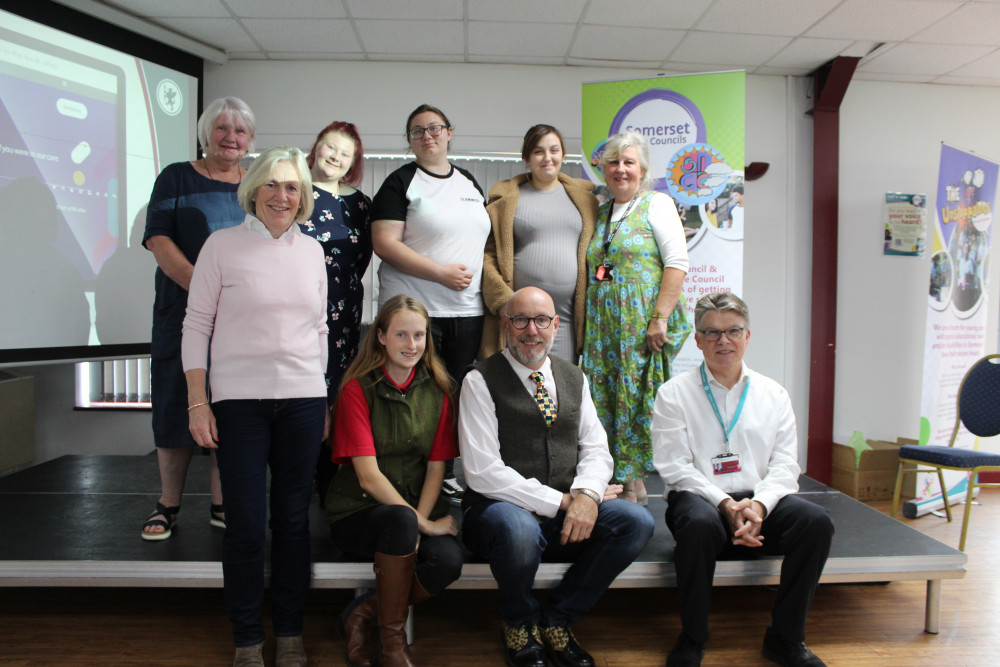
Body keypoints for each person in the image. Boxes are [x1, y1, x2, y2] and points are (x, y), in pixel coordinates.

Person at [183, 146, 328, 667]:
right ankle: (247, 637)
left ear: (304, 197)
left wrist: (322, 395)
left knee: (292, 523)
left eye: (292, 188)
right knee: (245, 525)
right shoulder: (220, 246)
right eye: (271, 185)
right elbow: (196, 325)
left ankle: (289, 633)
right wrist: (199, 403)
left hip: (303, 402)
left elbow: (320, 330)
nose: (281, 196)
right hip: (238, 403)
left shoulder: (312, 252)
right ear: (253, 190)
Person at [460, 287, 655, 667]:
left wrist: (586, 495)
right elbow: (482, 471)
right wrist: (563, 502)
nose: (531, 330)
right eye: (520, 320)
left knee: (636, 522)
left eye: (541, 320)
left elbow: (597, 450)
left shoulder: (574, 377)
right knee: (518, 529)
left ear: (556, 326)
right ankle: (519, 622)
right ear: (505, 325)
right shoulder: (479, 380)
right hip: (497, 517)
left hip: (564, 517)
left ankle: (558, 619)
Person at [651, 292, 834, 667]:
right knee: (699, 524)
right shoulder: (673, 394)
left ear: (747, 336)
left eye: (733, 331)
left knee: (816, 523)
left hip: (758, 500)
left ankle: (785, 638)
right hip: (700, 499)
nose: (723, 341)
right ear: (697, 339)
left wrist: (759, 505)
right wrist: (724, 503)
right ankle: (693, 637)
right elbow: (673, 467)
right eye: (712, 333)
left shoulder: (773, 394)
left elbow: (785, 465)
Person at [325, 295, 463, 667]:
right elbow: (369, 478)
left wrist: (419, 521)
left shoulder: (439, 390)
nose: (412, 345)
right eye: (401, 335)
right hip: (358, 513)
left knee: (449, 561)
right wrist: (423, 524)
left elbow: (437, 468)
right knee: (400, 521)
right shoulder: (357, 388)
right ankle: (394, 645)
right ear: (381, 337)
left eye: (419, 336)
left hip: (414, 509)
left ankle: (361, 615)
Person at [141, 97, 256, 540]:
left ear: (250, 140)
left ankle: (222, 503)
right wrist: (207, 291)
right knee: (176, 405)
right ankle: (168, 503)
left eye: (240, 131)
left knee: (232, 410)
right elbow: (159, 240)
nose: (230, 137)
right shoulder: (176, 176)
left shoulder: (259, 184)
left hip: (242, 321)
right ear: (206, 134)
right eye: (222, 129)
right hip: (183, 312)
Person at [371, 103, 492, 505]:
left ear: (450, 132)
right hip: (416, 310)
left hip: (465, 311)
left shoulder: (469, 182)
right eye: (418, 131)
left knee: (452, 396)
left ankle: (445, 475)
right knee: (412, 393)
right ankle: (403, 474)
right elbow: (384, 244)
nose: (428, 136)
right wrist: (440, 273)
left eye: (435, 128)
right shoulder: (400, 182)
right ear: (409, 141)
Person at [581, 130, 691, 505]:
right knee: (604, 401)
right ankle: (618, 481)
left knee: (634, 400)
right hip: (603, 328)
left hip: (638, 326)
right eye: (614, 162)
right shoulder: (600, 211)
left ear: (642, 169)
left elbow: (677, 263)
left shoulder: (656, 204)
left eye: (629, 162)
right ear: (604, 168)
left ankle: (632, 485)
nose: (621, 169)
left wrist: (659, 319)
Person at [480, 124, 599, 362]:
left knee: (560, 390)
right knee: (516, 391)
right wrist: (504, 302)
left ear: (563, 155)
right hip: (518, 321)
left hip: (564, 320)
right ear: (526, 158)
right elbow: (488, 256)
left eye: (554, 150)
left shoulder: (586, 200)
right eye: (538, 151)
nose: (547, 157)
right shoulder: (506, 200)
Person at [302, 121, 373, 503]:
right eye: (331, 147)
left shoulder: (360, 203)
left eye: (345, 153)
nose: (336, 157)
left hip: (342, 313)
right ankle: (298, 482)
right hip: (296, 311)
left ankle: (329, 484)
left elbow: (360, 260)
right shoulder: (292, 191)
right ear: (316, 146)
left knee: (336, 394)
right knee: (303, 393)